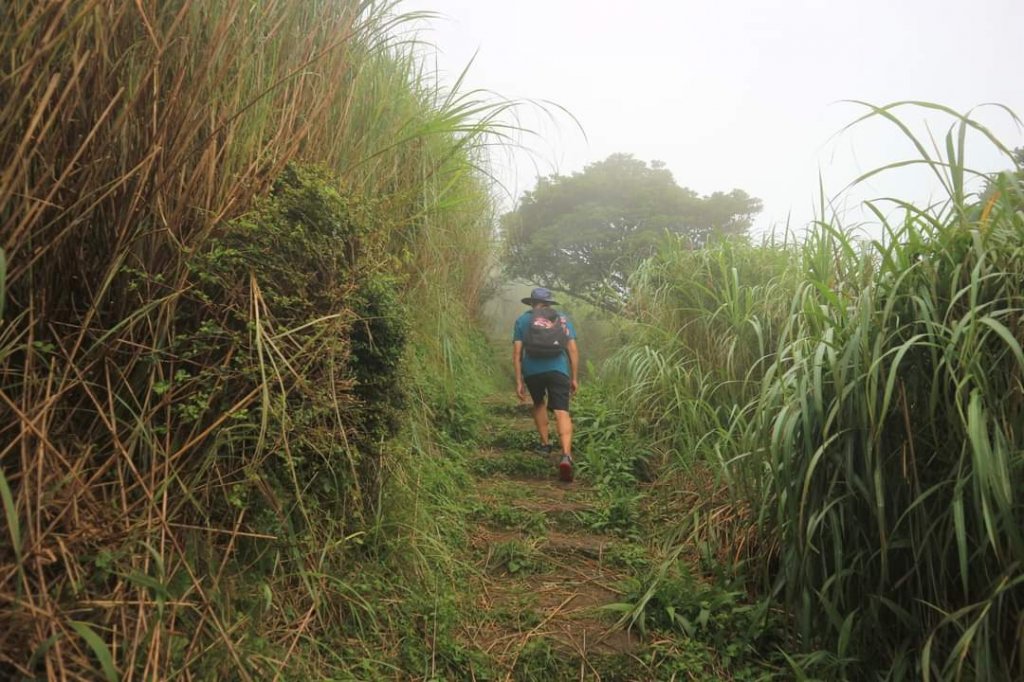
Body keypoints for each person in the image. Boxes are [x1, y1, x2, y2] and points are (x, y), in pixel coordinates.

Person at [513, 287, 579, 481]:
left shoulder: (523, 320)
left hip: (532, 370)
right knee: (562, 411)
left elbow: (517, 353)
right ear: (550, 303)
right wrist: (574, 377)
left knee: (539, 403)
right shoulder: (563, 319)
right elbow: (573, 350)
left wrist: (519, 381)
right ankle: (566, 454)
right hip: (558, 369)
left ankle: (545, 444)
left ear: (531, 303)